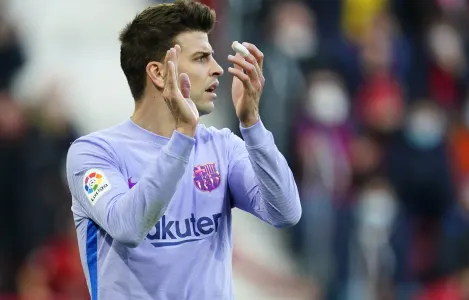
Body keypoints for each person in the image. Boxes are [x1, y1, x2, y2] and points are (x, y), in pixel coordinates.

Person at [65, 1, 302, 299]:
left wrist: (252, 124)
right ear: (159, 73)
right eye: (202, 58)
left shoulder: (222, 147)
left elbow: (286, 212)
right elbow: (128, 226)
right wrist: (182, 136)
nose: (218, 70)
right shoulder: (94, 154)